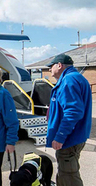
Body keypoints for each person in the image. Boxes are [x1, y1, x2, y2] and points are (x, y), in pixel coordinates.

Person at [46, 53, 92, 186]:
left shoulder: (68, 80)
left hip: (69, 139)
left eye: (51, 66)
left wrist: (60, 136)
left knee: (69, 176)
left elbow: (73, 111)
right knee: (65, 174)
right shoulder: (76, 78)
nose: (49, 69)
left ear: (59, 65)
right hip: (74, 137)